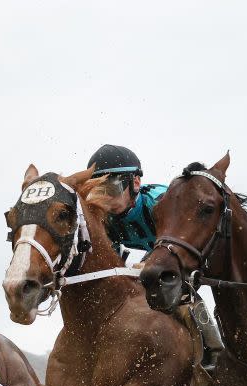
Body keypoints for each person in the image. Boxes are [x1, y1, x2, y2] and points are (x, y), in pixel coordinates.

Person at [86, 144, 225, 371]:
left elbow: (176, 244)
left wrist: (148, 261)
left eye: (110, 188)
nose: (104, 198)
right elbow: (112, 260)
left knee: (184, 296)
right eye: (96, 190)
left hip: (182, 259)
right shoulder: (104, 219)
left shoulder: (158, 202)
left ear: (135, 183)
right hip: (147, 266)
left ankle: (214, 354)